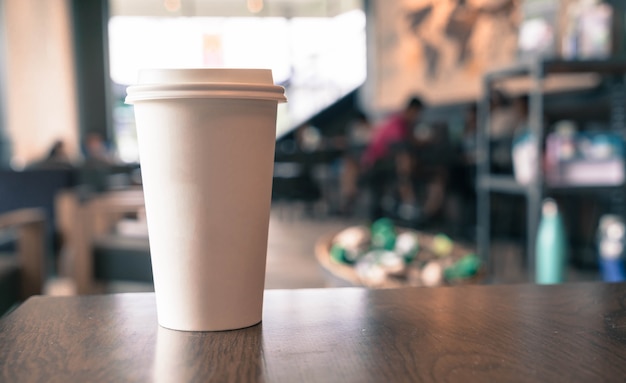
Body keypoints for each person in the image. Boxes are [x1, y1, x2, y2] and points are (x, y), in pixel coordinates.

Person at [361, 96, 425, 221]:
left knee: (406, 163)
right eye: (418, 113)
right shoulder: (397, 123)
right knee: (404, 161)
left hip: (383, 163)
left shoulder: (402, 124)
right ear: (412, 110)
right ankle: (408, 203)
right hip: (374, 163)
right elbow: (399, 146)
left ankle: (408, 203)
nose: (418, 117)